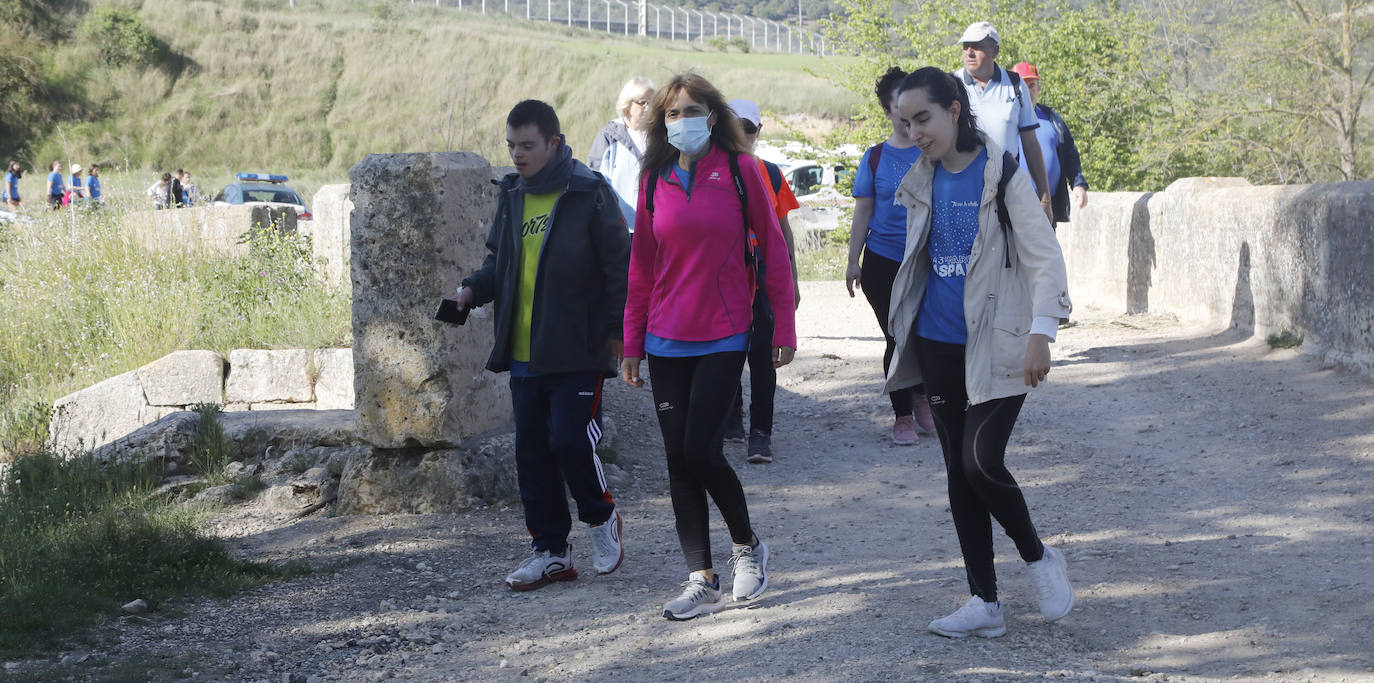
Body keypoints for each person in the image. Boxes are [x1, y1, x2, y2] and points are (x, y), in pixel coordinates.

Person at [887, 67, 1075, 638]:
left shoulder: (1000, 171)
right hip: (937, 344)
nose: (915, 131)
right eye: (905, 122)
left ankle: (1039, 558)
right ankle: (984, 602)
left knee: (979, 461)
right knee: (955, 471)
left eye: (924, 118)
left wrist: (1043, 329)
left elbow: (1044, 254)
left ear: (954, 110)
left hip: (1000, 344)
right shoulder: (920, 178)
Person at [620, 73, 797, 620]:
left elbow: (773, 253)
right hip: (665, 338)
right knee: (677, 462)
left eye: (691, 111)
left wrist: (784, 327)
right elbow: (642, 267)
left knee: (701, 450)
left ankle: (748, 547)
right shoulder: (654, 179)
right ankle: (701, 577)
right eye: (671, 114)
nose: (680, 122)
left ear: (713, 116)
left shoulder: (743, 172)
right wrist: (632, 340)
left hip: (724, 333)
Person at [452, 99, 630, 592]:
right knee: (531, 455)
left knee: (570, 441)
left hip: (579, 346)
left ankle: (601, 518)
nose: (517, 155)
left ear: (554, 142)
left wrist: (620, 335)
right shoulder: (510, 194)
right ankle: (551, 552)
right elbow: (498, 263)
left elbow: (620, 269)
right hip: (525, 350)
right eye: (511, 145)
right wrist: (470, 290)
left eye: (527, 145)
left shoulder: (590, 192)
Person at [846, 67, 936, 445]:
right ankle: (902, 414)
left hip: (928, 258)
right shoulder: (875, 157)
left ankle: (922, 396)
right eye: (897, 104)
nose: (905, 112)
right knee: (896, 335)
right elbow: (864, 211)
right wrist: (852, 260)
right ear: (887, 110)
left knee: (929, 333)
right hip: (883, 262)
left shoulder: (935, 151)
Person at [721, 97, 801, 463]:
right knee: (727, 352)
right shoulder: (713, 173)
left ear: (758, 131)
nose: (741, 135)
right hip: (726, 276)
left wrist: (793, 282)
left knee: (764, 355)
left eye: (747, 128)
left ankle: (760, 433)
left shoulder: (770, 173)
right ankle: (731, 417)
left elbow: (784, 233)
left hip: (765, 275)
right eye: (734, 126)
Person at [954, 22, 1054, 224]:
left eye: (977, 46)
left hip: (1006, 186)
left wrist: (1045, 198)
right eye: (966, 47)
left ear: (995, 50)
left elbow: (1030, 143)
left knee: (1010, 250)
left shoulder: (1015, 84)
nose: (969, 52)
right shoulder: (952, 83)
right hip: (963, 186)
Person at [1010, 62, 1088, 224]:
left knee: (1046, 249)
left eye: (1031, 86)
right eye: (1022, 86)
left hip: (1047, 206)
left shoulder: (1051, 118)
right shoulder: (1006, 120)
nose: (1027, 91)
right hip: (1014, 206)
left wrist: (1078, 184)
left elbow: (1069, 154)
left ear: (1039, 89)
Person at [588, 77, 655, 229]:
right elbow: (594, 180)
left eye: (652, 103)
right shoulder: (608, 136)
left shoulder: (661, 138)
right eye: (642, 102)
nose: (648, 107)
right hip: (616, 229)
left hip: (651, 230)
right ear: (627, 105)